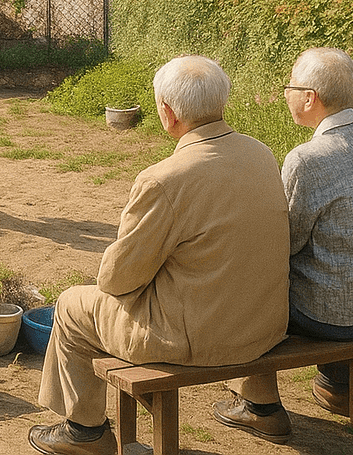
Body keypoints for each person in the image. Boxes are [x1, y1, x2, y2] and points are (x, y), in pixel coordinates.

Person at [30, 55, 289, 455]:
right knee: (227, 272)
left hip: (192, 337)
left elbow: (117, 280)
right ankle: (262, 405)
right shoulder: (262, 154)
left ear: (167, 113)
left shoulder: (165, 179)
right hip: (261, 325)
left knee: (70, 305)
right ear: (222, 102)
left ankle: (84, 433)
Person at [214, 47, 353, 442]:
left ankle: (260, 407)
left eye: (290, 85)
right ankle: (337, 386)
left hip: (336, 318)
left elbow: (283, 243)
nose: (286, 92)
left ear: (310, 98)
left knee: (247, 283)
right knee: (340, 266)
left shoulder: (308, 158)